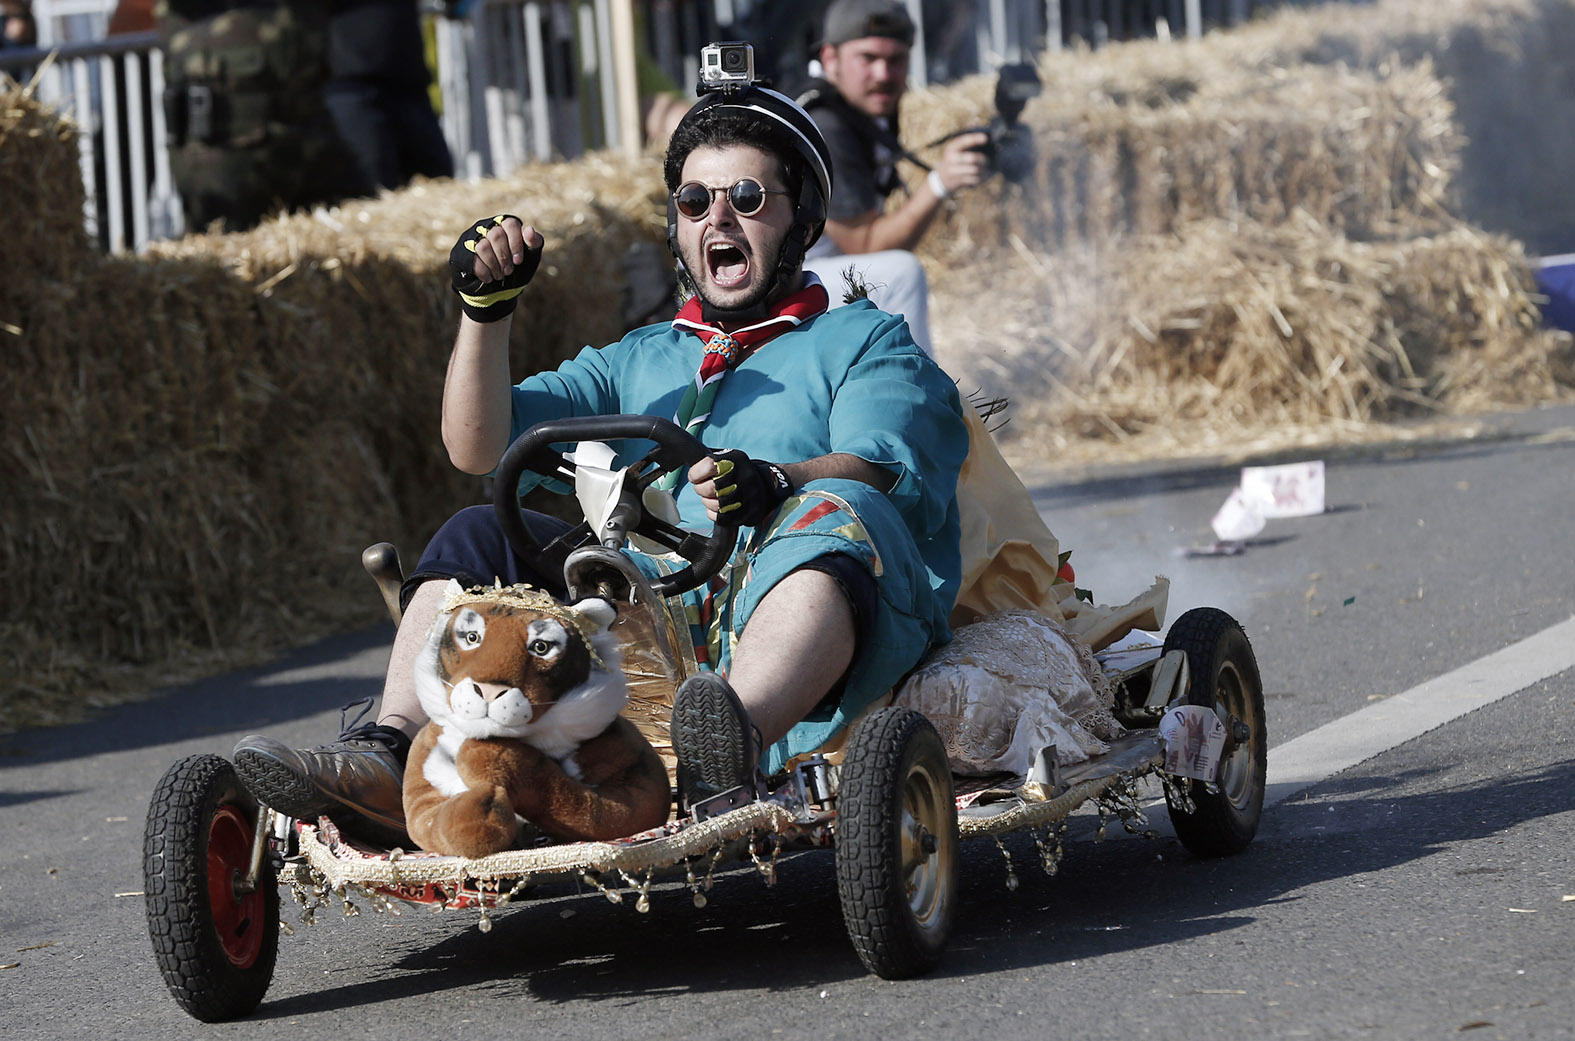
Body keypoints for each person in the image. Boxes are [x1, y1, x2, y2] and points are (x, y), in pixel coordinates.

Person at [232, 82, 969, 839]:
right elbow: (476, 445)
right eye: (692, 201)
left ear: (801, 216)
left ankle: (726, 746)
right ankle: (389, 755)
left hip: (812, 614)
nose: (716, 218)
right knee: (481, 530)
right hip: (650, 619)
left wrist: (778, 480)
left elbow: (884, 466)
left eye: (746, 197)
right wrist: (485, 314)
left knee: (839, 511)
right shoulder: (637, 358)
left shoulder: (862, 340)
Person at [799, 0, 991, 354]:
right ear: (830, 60)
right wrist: (939, 184)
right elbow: (867, 245)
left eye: (896, 60)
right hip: (784, 288)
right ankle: (922, 401)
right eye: (868, 58)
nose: (884, 75)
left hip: (812, 276)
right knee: (901, 273)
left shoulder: (860, 110)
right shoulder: (826, 125)